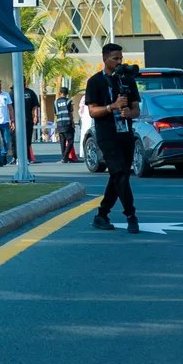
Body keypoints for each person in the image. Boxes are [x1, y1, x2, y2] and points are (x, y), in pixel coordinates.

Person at [84, 43, 142, 231]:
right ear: (105, 59)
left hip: (125, 132)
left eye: (120, 58)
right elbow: (92, 111)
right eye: (115, 58)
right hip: (106, 133)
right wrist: (112, 106)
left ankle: (101, 215)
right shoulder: (95, 82)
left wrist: (128, 113)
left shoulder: (127, 81)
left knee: (119, 174)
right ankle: (131, 216)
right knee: (120, 173)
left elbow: (136, 110)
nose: (119, 62)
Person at [53, 89, 77, 162]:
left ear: (60, 93)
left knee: (62, 141)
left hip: (60, 124)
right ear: (67, 93)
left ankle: (64, 157)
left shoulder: (56, 102)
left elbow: (55, 114)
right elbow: (70, 113)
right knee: (71, 140)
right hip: (67, 123)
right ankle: (65, 157)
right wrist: (72, 123)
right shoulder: (68, 101)